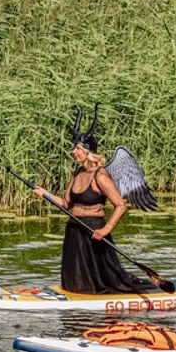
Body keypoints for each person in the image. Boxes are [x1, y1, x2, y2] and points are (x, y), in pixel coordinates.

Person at [33, 107, 154, 294]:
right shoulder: (76, 173)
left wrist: (106, 229)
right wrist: (45, 194)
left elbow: (120, 206)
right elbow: (66, 204)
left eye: (77, 148)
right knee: (74, 281)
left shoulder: (100, 176)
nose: (73, 152)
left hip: (94, 230)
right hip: (75, 229)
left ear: (87, 151)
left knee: (102, 282)